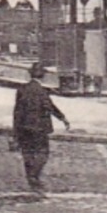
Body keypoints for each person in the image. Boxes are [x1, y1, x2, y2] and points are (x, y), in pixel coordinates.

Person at [11, 61, 70, 193]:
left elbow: (17, 112)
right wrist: (63, 118)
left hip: (24, 127)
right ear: (42, 75)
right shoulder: (42, 91)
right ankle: (34, 176)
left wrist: (15, 132)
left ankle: (30, 177)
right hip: (39, 128)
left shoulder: (21, 89)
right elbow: (50, 107)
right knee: (43, 153)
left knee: (27, 153)